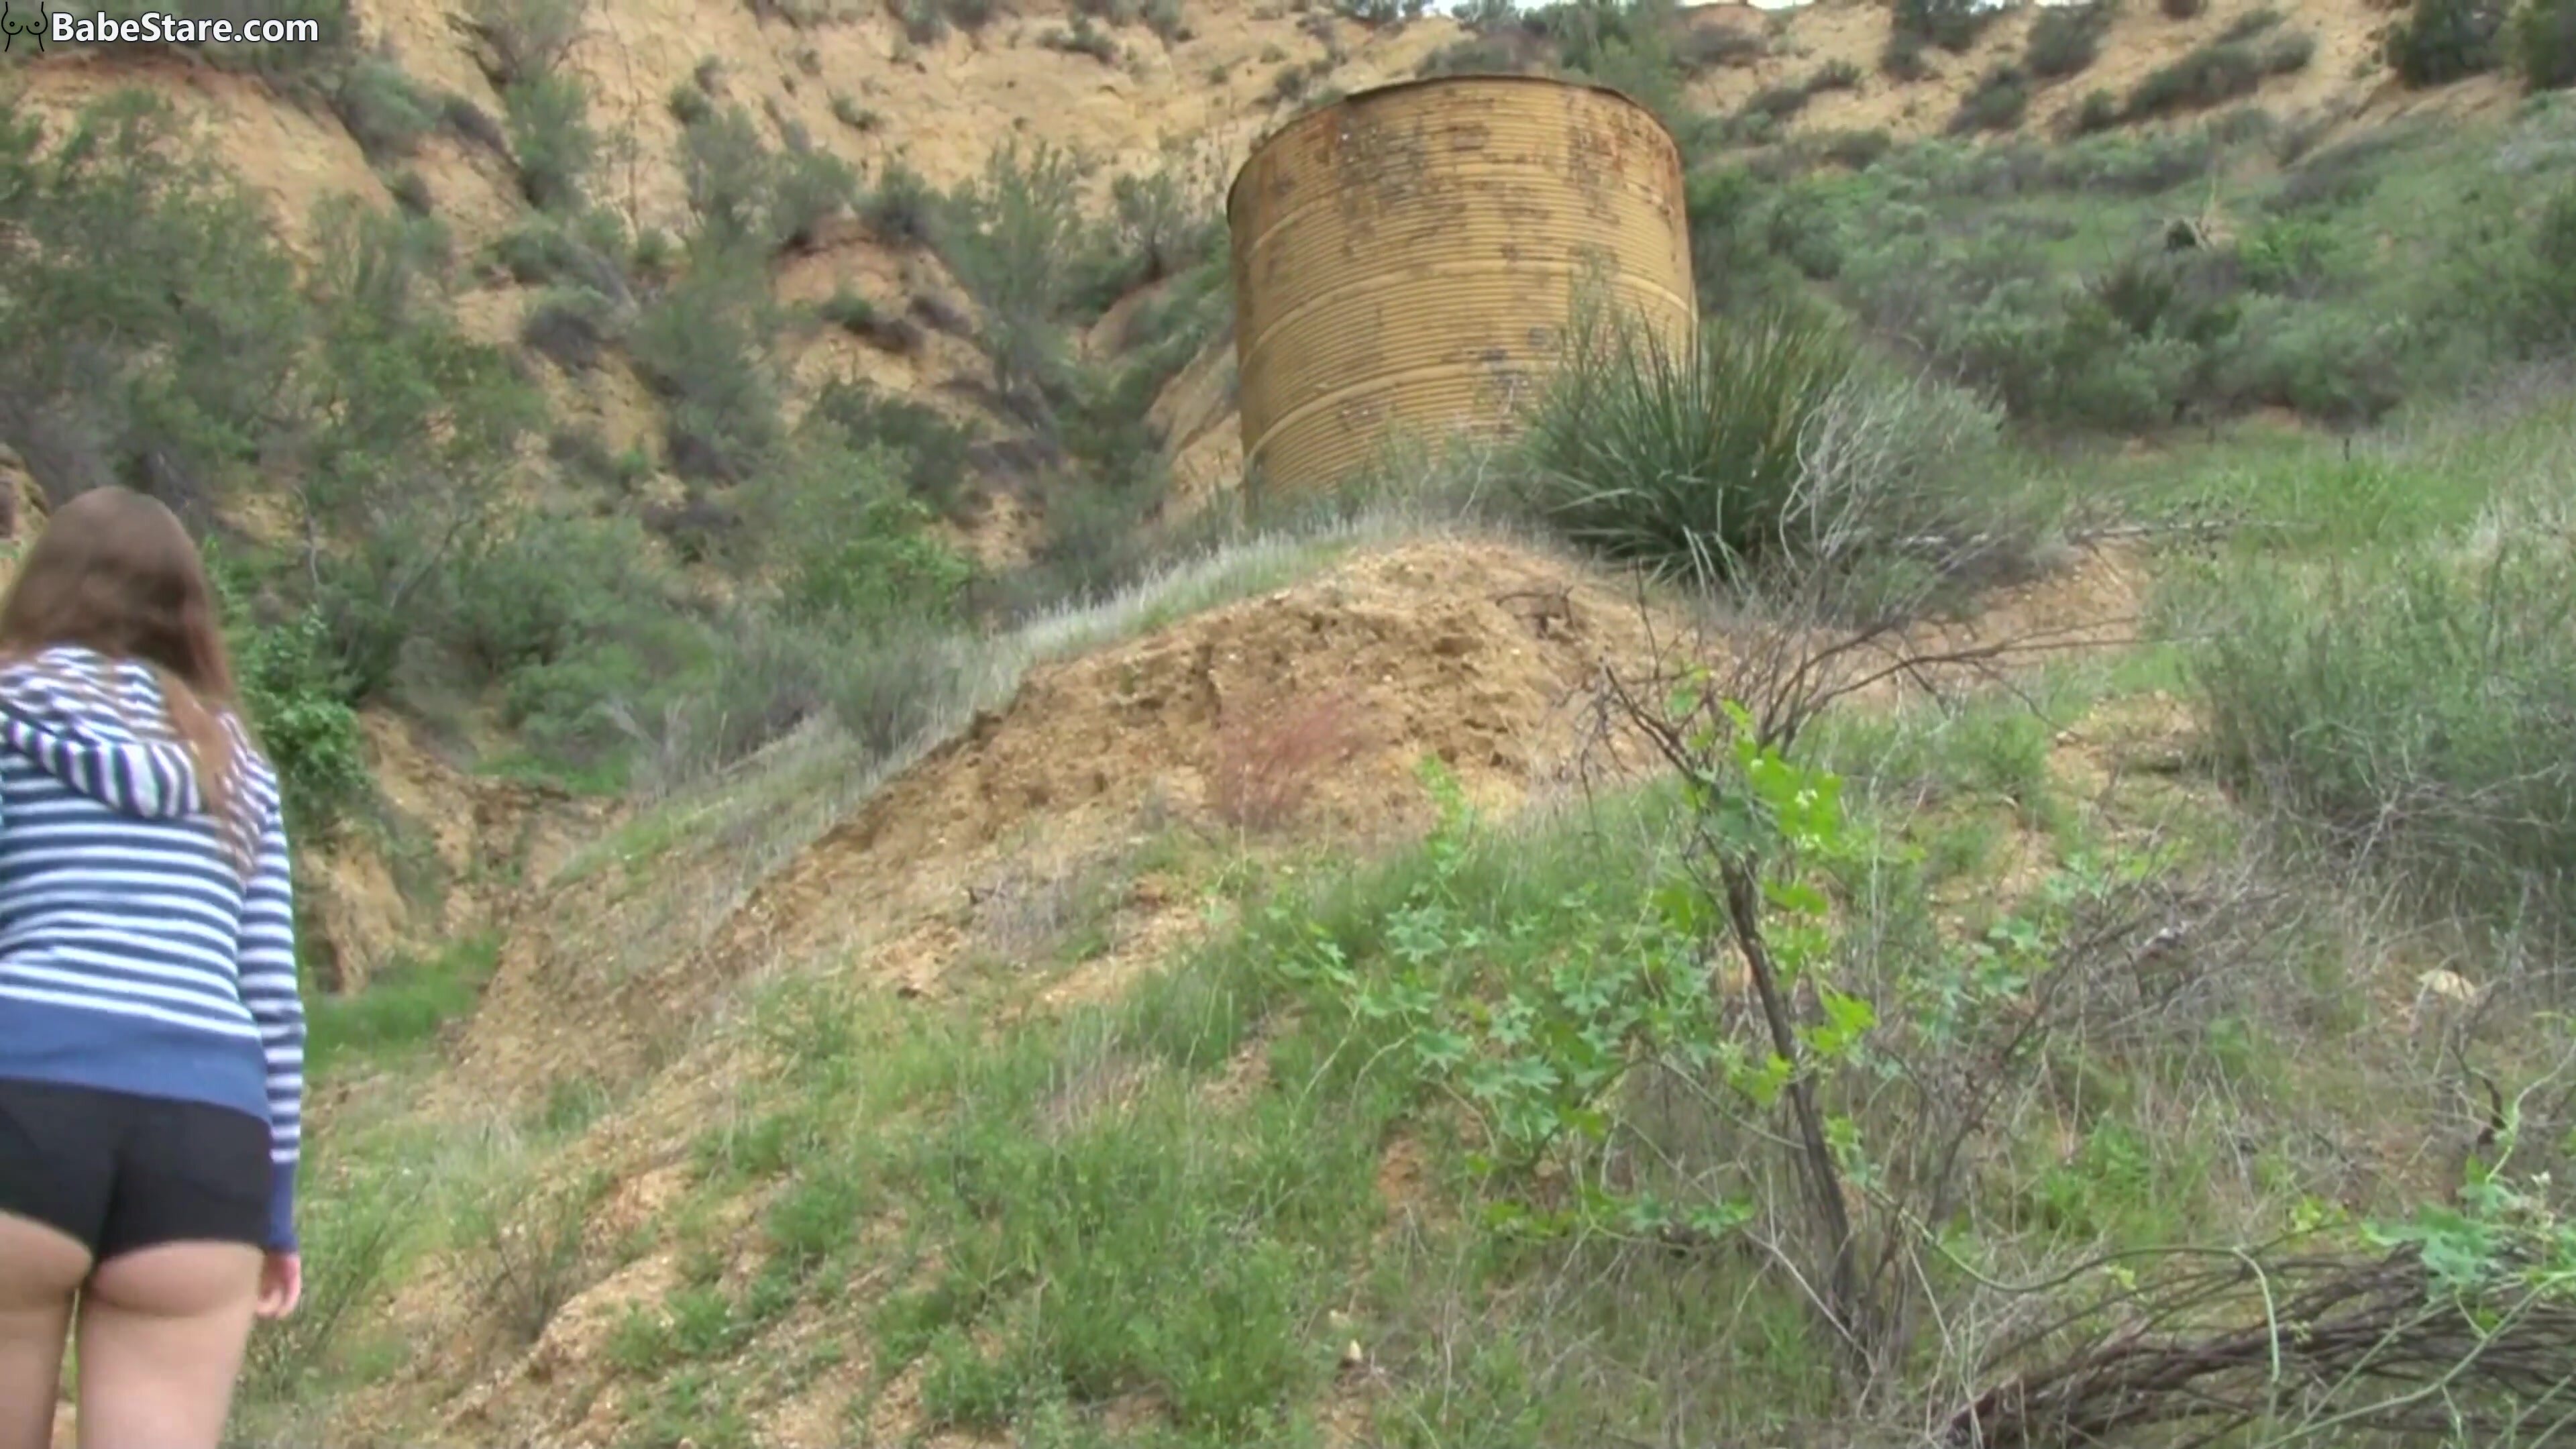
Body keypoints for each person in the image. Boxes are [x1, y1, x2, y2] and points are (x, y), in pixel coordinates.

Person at [0, 488, 307, 1449]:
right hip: (207, 1140)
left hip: (23, 1097)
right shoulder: (238, 766)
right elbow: (273, 1004)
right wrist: (277, 1209)